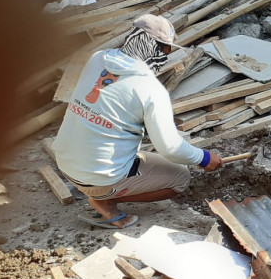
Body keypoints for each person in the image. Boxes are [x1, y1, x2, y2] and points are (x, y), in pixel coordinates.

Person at [52, 14, 223, 229]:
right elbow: (170, 148)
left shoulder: (97, 58)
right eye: (165, 49)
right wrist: (205, 158)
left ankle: (100, 189)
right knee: (180, 176)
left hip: (65, 163)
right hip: (98, 177)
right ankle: (105, 200)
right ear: (150, 45)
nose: (166, 56)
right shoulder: (149, 88)